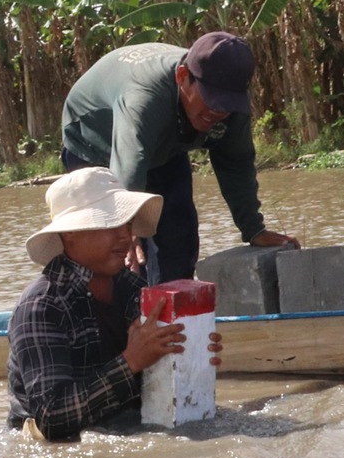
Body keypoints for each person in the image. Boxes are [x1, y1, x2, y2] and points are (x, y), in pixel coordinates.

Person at [59, 31, 298, 282]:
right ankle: (114, 313)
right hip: (94, 138)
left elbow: (236, 164)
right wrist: (124, 228)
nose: (218, 111)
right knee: (111, 247)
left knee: (179, 238)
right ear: (183, 77)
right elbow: (129, 164)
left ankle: (171, 312)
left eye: (227, 103)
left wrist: (253, 229)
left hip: (164, 143)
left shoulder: (231, 108)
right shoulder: (144, 99)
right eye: (211, 99)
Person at [6, 167, 223, 441]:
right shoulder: (41, 307)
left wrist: (190, 357)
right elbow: (51, 416)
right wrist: (131, 361)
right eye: (111, 223)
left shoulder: (133, 289)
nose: (125, 235)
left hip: (124, 427)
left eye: (128, 224)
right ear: (70, 232)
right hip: (55, 450)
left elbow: (157, 380)